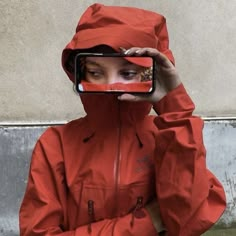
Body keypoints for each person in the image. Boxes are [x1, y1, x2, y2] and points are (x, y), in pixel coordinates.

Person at [19, 3, 226, 236]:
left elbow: (188, 220)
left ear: (153, 74)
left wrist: (174, 106)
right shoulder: (54, 145)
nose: (113, 86)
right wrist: (150, 220)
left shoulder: (169, 136)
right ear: (78, 73)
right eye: (96, 73)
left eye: (128, 73)